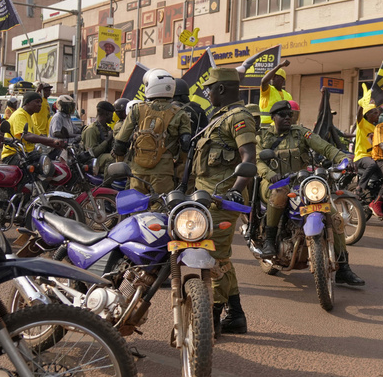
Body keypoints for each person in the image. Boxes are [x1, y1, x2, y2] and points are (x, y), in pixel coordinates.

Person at [257, 100, 365, 287]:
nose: (287, 118)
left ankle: (343, 266)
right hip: (274, 184)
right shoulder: (264, 137)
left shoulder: (301, 133)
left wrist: (343, 159)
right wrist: (271, 175)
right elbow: (259, 161)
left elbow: (325, 147)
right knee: (280, 193)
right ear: (273, 117)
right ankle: (269, 240)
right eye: (282, 115)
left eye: (290, 115)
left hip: (302, 184)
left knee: (335, 217)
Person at [190, 67, 256, 337]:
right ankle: (236, 315)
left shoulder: (239, 117)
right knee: (222, 259)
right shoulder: (218, 118)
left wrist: (236, 192)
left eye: (209, 88)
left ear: (220, 89)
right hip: (206, 199)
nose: (206, 93)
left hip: (222, 200)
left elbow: (248, 158)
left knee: (211, 259)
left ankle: (212, 319)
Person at [114, 72, 190, 195]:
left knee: (136, 209)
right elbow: (186, 143)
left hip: (137, 171)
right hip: (163, 171)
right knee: (161, 210)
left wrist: (121, 164)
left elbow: (120, 143)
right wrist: (179, 163)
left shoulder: (137, 109)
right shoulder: (180, 113)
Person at [1, 92, 65, 164]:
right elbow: (27, 136)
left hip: (27, 154)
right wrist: (53, 141)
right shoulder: (20, 115)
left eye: (40, 102)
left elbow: (40, 136)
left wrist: (58, 144)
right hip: (14, 155)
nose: (40, 105)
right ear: (27, 103)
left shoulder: (28, 116)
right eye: (37, 102)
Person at [82, 100, 117, 173]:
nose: (112, 117)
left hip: (102, 157)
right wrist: (107, 140)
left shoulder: (106, 128)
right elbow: (92, 153)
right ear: (107, 113)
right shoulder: (91, 130)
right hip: (94, 161)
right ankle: (107, 182)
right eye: (111, 114)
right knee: (114, 159)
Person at [353, 104, 381, 189]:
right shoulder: (362, 124)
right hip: (361, 156)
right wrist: (362, 104)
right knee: (372, 165)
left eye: (378, 113)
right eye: (375, 113)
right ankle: (360, 187)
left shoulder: (376, 128)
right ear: (367, 115)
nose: (378, 115)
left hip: (373, 156)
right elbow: (359, 116)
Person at [258, 59, 292, 128]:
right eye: (272, 76)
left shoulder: (288, 95)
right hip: (266, 126)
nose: (272, 79)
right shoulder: (268, 89)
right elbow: (264, 81)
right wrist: (279, 66)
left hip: (280, 126)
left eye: (275, 76)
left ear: (282, 80)